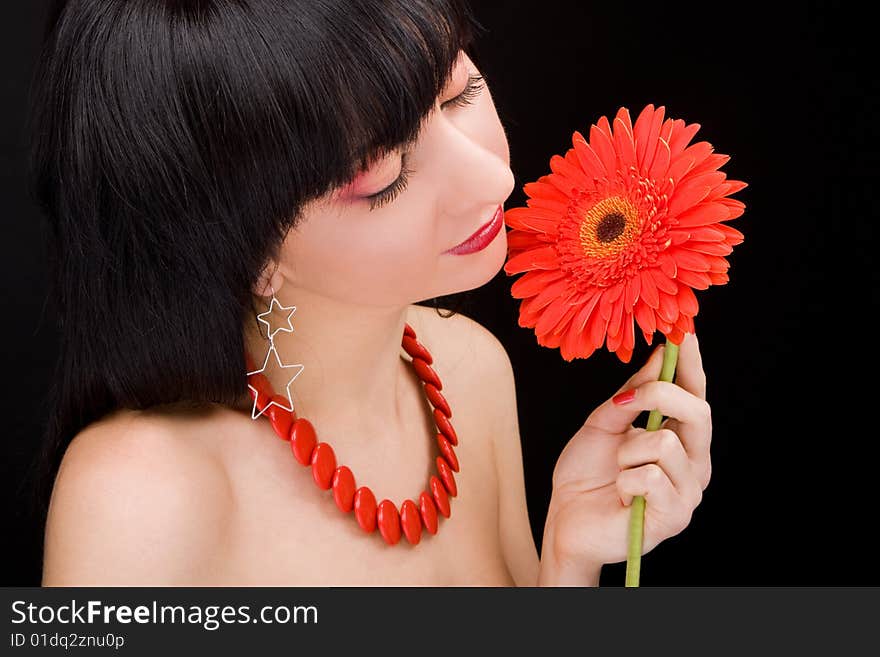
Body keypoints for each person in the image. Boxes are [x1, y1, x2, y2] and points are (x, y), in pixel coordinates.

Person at [30, 0, 712, 586]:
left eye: (460, 92)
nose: (492, 182)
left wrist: (569, 556)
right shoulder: (138, 497)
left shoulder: (469, 368)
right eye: (383, 175)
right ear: (248, 252)